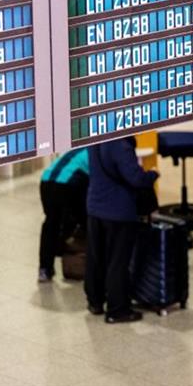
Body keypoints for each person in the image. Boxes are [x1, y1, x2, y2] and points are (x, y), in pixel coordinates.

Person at [85, 137, 159, 323]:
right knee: (118, 261)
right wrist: (152, 174)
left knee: (97, 258)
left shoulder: (94, 134)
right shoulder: (119, 142)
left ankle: (95, 301)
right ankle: (117, 310)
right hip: (117, 210)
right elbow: (134, 178)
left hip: (95, 206)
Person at [37, 149, 89, 282]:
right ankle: (85, 263)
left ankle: (45, 269)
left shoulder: (77, 150)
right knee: (86, 222)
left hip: (46, 181)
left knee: (51, 224)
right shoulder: (96, 152)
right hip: (68, 184)